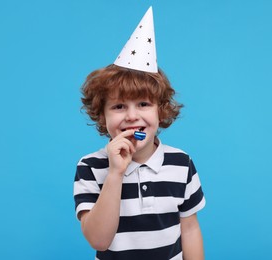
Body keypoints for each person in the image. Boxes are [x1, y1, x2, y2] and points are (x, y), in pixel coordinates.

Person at [74, 7, 206, 260]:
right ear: (102, 116)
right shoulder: (90, 166)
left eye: (143, 104)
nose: (132, 116)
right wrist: (115, 173)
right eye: (119, 106)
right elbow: (99, 240)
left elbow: (189, 229)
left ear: (161, 111)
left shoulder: (182, 163)